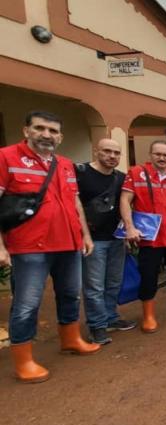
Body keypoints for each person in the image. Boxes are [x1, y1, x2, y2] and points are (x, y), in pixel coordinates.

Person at [1, 111, 99, 383]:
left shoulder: (65, 164)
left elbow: (75, 203)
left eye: (53, 130)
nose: (46, 135)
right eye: (40, 128)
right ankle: (24, 360)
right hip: (29, 246)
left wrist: (86, 236)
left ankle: (71, 340)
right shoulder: (6, 157)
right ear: (26, 131)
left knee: (70, 294)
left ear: (60, 137)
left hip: (68, 243)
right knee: (26, 304)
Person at [120, 140, 166, 334]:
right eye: (158, 154)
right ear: (151, 154)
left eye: (165, 155)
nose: (162, 158)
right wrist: (129, 227)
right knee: (149, 276)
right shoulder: (136, 174)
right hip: (149, 238)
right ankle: (148, 315)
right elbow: (125, 200)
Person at [76, 138, 136, 345]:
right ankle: (97, 326)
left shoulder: (121, 177)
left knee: (113, 282)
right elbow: (74, 207)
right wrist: (84, 236)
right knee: (94, 286)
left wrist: (127, 232)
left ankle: (111, 317)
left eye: (116, 153)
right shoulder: (81, 173)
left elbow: (125, 206)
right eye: (107, 151)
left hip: (116, 238)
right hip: (93, 240)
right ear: (96, 151)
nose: (112, 156)